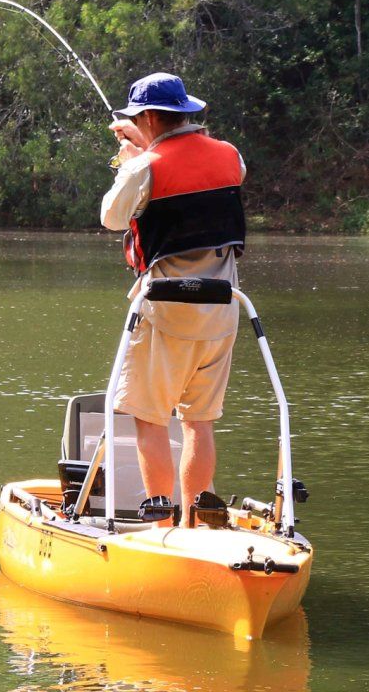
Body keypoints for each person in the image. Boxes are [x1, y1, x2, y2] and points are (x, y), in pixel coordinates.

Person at [100, 72, 247, 527]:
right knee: (199, 420)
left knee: (149, 418)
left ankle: (163, 525)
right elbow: (195, 173)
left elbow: (111, 217)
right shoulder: (231, 157)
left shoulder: (144, 167)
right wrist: (144, 150)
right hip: (223, 308)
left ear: (145, 117)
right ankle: (195, 523)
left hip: (165, 311)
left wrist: (130, 161)